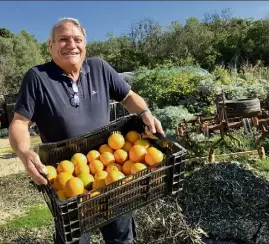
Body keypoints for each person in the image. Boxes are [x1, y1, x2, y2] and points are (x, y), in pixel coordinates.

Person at [9, 17, 164, 244]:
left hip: (113, 174)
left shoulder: (100, 68)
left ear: (85, 45)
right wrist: (25, 153)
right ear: (50, 46)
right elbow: (19, 123)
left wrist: (144, 113)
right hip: (68, 183)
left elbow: (128, 96)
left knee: (121, 238)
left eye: (77, 39)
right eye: (63, 40)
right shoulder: (37, 78)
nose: (71, 44)